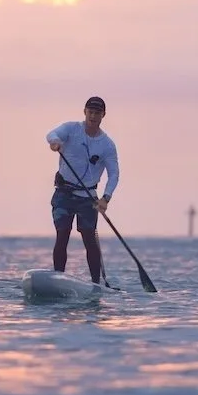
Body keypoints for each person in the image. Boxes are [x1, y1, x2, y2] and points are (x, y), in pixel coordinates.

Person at [46, 96, 120, 284]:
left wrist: (105, 198)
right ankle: (58, 279)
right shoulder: (71, 129)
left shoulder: (107, 145)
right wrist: (55, 143)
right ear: (85, 112)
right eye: (90, 112)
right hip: (64, 193)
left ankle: (95, 283)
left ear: (103, 115)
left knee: (89, 238)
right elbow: (51, 134)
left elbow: (114, 174)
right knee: (62, 234)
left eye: (97, 113)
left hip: (88, 197)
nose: (93, 116)